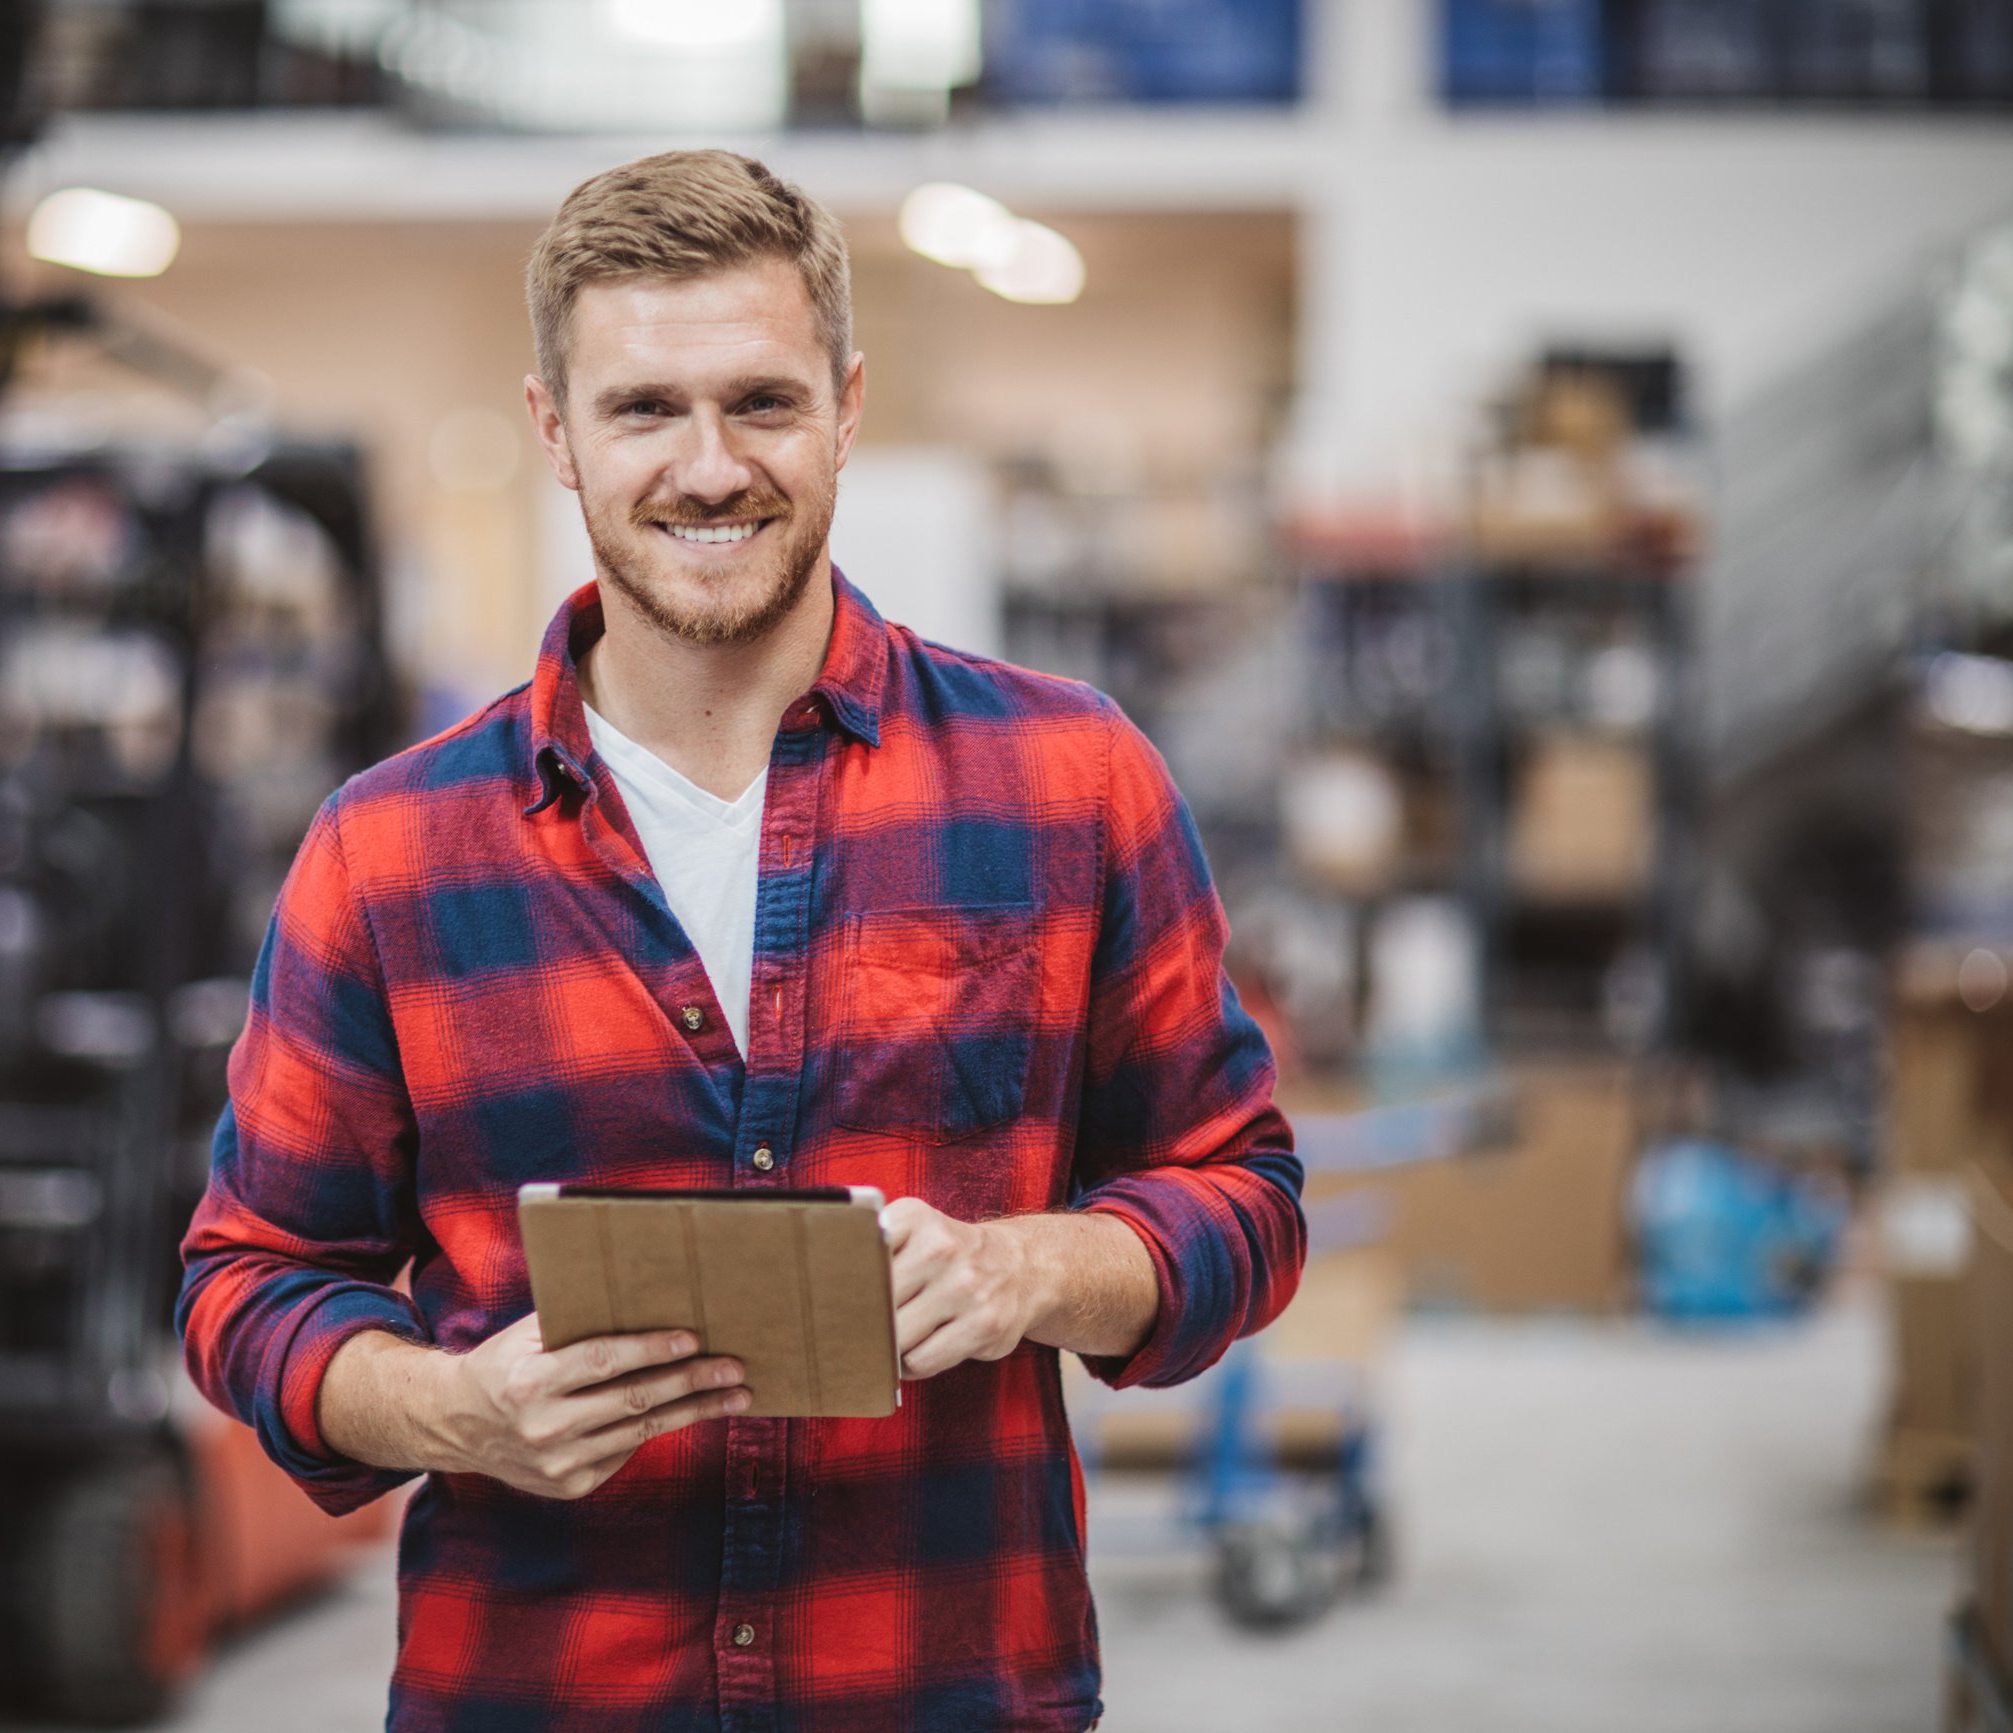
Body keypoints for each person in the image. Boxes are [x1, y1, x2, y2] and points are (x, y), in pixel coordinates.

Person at [180, 148, 1304, 1732]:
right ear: (554, 432)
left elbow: (1241, 1190)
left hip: (941, 1685)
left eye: (760, 403)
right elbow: (249, 1282)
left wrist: (1026, 1266)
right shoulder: (393, 851)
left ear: (845, 406)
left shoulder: (1066, 779)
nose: (708, 467)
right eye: (644, 409)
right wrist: (450, 1405)